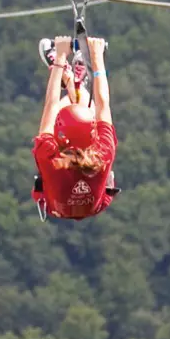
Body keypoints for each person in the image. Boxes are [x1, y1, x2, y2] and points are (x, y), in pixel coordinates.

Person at [31, 33, 116, 220]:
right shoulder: (49, 156)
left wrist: (96, 57)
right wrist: (63, 58)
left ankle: (71, 80)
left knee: (80, 105)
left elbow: (101, 105)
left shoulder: (104, 152)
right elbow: (52, 106)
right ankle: (72, 82)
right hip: (76, 205)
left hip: (64, 206)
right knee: (79, 106)